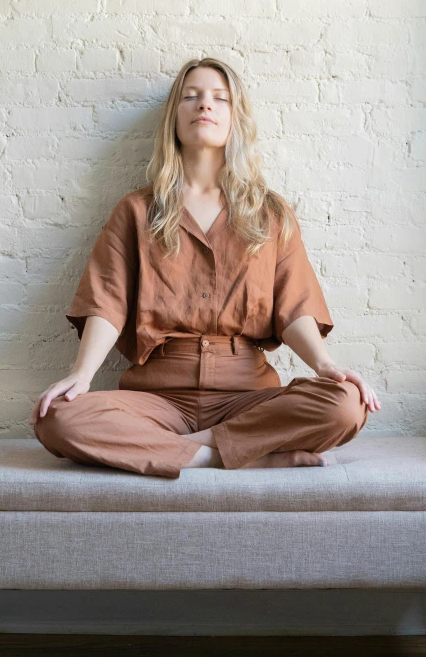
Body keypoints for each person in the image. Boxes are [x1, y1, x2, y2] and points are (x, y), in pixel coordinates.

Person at [30, 57, 381, 478]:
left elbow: (295, 308)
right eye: (191, 97)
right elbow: (107, 303)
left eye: (219, 98)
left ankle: (177, 453)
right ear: (173, 118)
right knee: (57, 418)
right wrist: (81, 375)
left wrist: (325, 366)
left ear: (235, 117)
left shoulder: (269, 214)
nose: (204, 106)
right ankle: (224, 456)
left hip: (247, 398)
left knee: (346, 403)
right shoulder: (137, 211)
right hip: (158, 398)